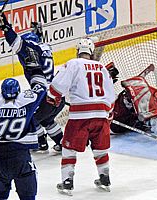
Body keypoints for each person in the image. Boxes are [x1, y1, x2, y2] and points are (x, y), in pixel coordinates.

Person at [0, 47, 47, 200]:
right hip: (20, 156)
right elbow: (41, 87)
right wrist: (35, 68)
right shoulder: (26, 102)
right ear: (18, 92)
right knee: (28, 196)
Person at [47, 38, 115, 195]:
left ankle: (67, 182)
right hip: (101, 115)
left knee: (69, 149)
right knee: (100, 149)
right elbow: (111, 96)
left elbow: (57, 86)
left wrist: (53, 96)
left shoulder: (73, 63)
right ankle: (105, 178)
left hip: (80, 117)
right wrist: (108, 113)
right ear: (91, 52)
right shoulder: (102, 68)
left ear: (78, 51)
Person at [0, 10, 65, 152]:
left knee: (29, 118)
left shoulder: (29, 49)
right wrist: (38, 32)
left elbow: (15, 41)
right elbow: (36, 43)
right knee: (46, 120)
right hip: (58, 95)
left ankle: (41, 142)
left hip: (45, 97)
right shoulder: (45, 47)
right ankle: (62, 142)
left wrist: (5, 27)